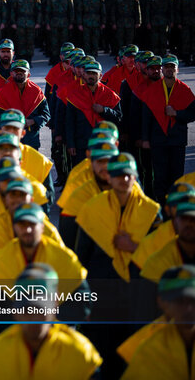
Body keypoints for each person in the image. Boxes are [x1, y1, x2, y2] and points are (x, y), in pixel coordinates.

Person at [75, 152, 160, 377]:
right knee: (103, 357)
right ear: (109, 179)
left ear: (135, 177)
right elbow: (80, 258)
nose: (123, 179)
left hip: (138, 294)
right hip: (102, 293)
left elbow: (163, 257)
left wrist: (134, 248)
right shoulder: (92, 208)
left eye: (128, 175)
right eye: (118, 175)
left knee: (134, 360)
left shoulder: (151, 212)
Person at [0, 202, 89, 351]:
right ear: (15, 228)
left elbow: (83, 303)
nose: (27, 229)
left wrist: (45, 319)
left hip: (54, 341)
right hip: (11, 341)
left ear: (42, 227)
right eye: (22, 224)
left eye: (32, 224)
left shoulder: (63, 258)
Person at [0, 265, 102, 379]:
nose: (33, 319)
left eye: (40, 310)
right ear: (15, 312)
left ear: (55, 306)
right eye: (26, 311)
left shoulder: (80, 354)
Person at [141, 55, 195, 204]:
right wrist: (145, 139)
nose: (169, 69)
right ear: (162, 69)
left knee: (176, 176)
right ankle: (161, 208)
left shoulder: (184, 90)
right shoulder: (153, 90)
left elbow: (193, 112)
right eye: (166, 67)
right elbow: (146, 117)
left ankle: (175, 207)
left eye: (172, 67)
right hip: (158, 140)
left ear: (177, 69)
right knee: (160, 176)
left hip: (177, 140)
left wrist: (177, 114)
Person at [65, 60, 122, 164]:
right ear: (83, 75)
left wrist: (104, 110)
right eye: (88, 73)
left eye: (94, 73)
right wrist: (71, 144)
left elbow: (119, 117)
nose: (91, 76)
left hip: (105, 143)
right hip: (82, 144)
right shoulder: (74, 95)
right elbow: (69, 122)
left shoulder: (110, 95)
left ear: (100, 75)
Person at [0, 60, 50, 150]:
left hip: (31, 140)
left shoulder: (36, 91)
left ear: (28, 73)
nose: (19, 73)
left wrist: (33, 121)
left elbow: (46, 115)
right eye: (16, 71)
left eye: (22, 71)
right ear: (11, 73)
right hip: (10, 141)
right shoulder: (3, 92)